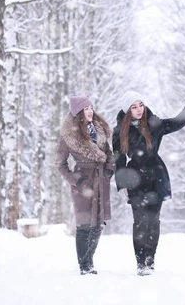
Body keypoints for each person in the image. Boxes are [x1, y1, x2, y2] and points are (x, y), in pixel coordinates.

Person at [112, 91, 185, 276]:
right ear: (127, 110)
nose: (138, 109)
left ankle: (150, 261)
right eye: (133, 107)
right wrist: (122, 184)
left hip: (156, 176)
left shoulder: (153, 123)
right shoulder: (119, 131)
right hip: (134, 177)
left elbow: (175, 123)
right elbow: (118, 159)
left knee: (153, 222)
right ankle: (140, 263)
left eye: (140, 105)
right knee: (140, 223)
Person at [56, 94, 115, 275]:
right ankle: (85, 266)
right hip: (83, 184)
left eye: (91, 108)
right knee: (84, 226)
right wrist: (77, 180)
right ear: (78, 112)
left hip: (100, 180)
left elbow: (109, 153)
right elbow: (60, 164)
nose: (90, 111)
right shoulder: (69, 135)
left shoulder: (100, 129)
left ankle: (89, 260)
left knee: (98, 225)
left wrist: (109, 170)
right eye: (86, 108)